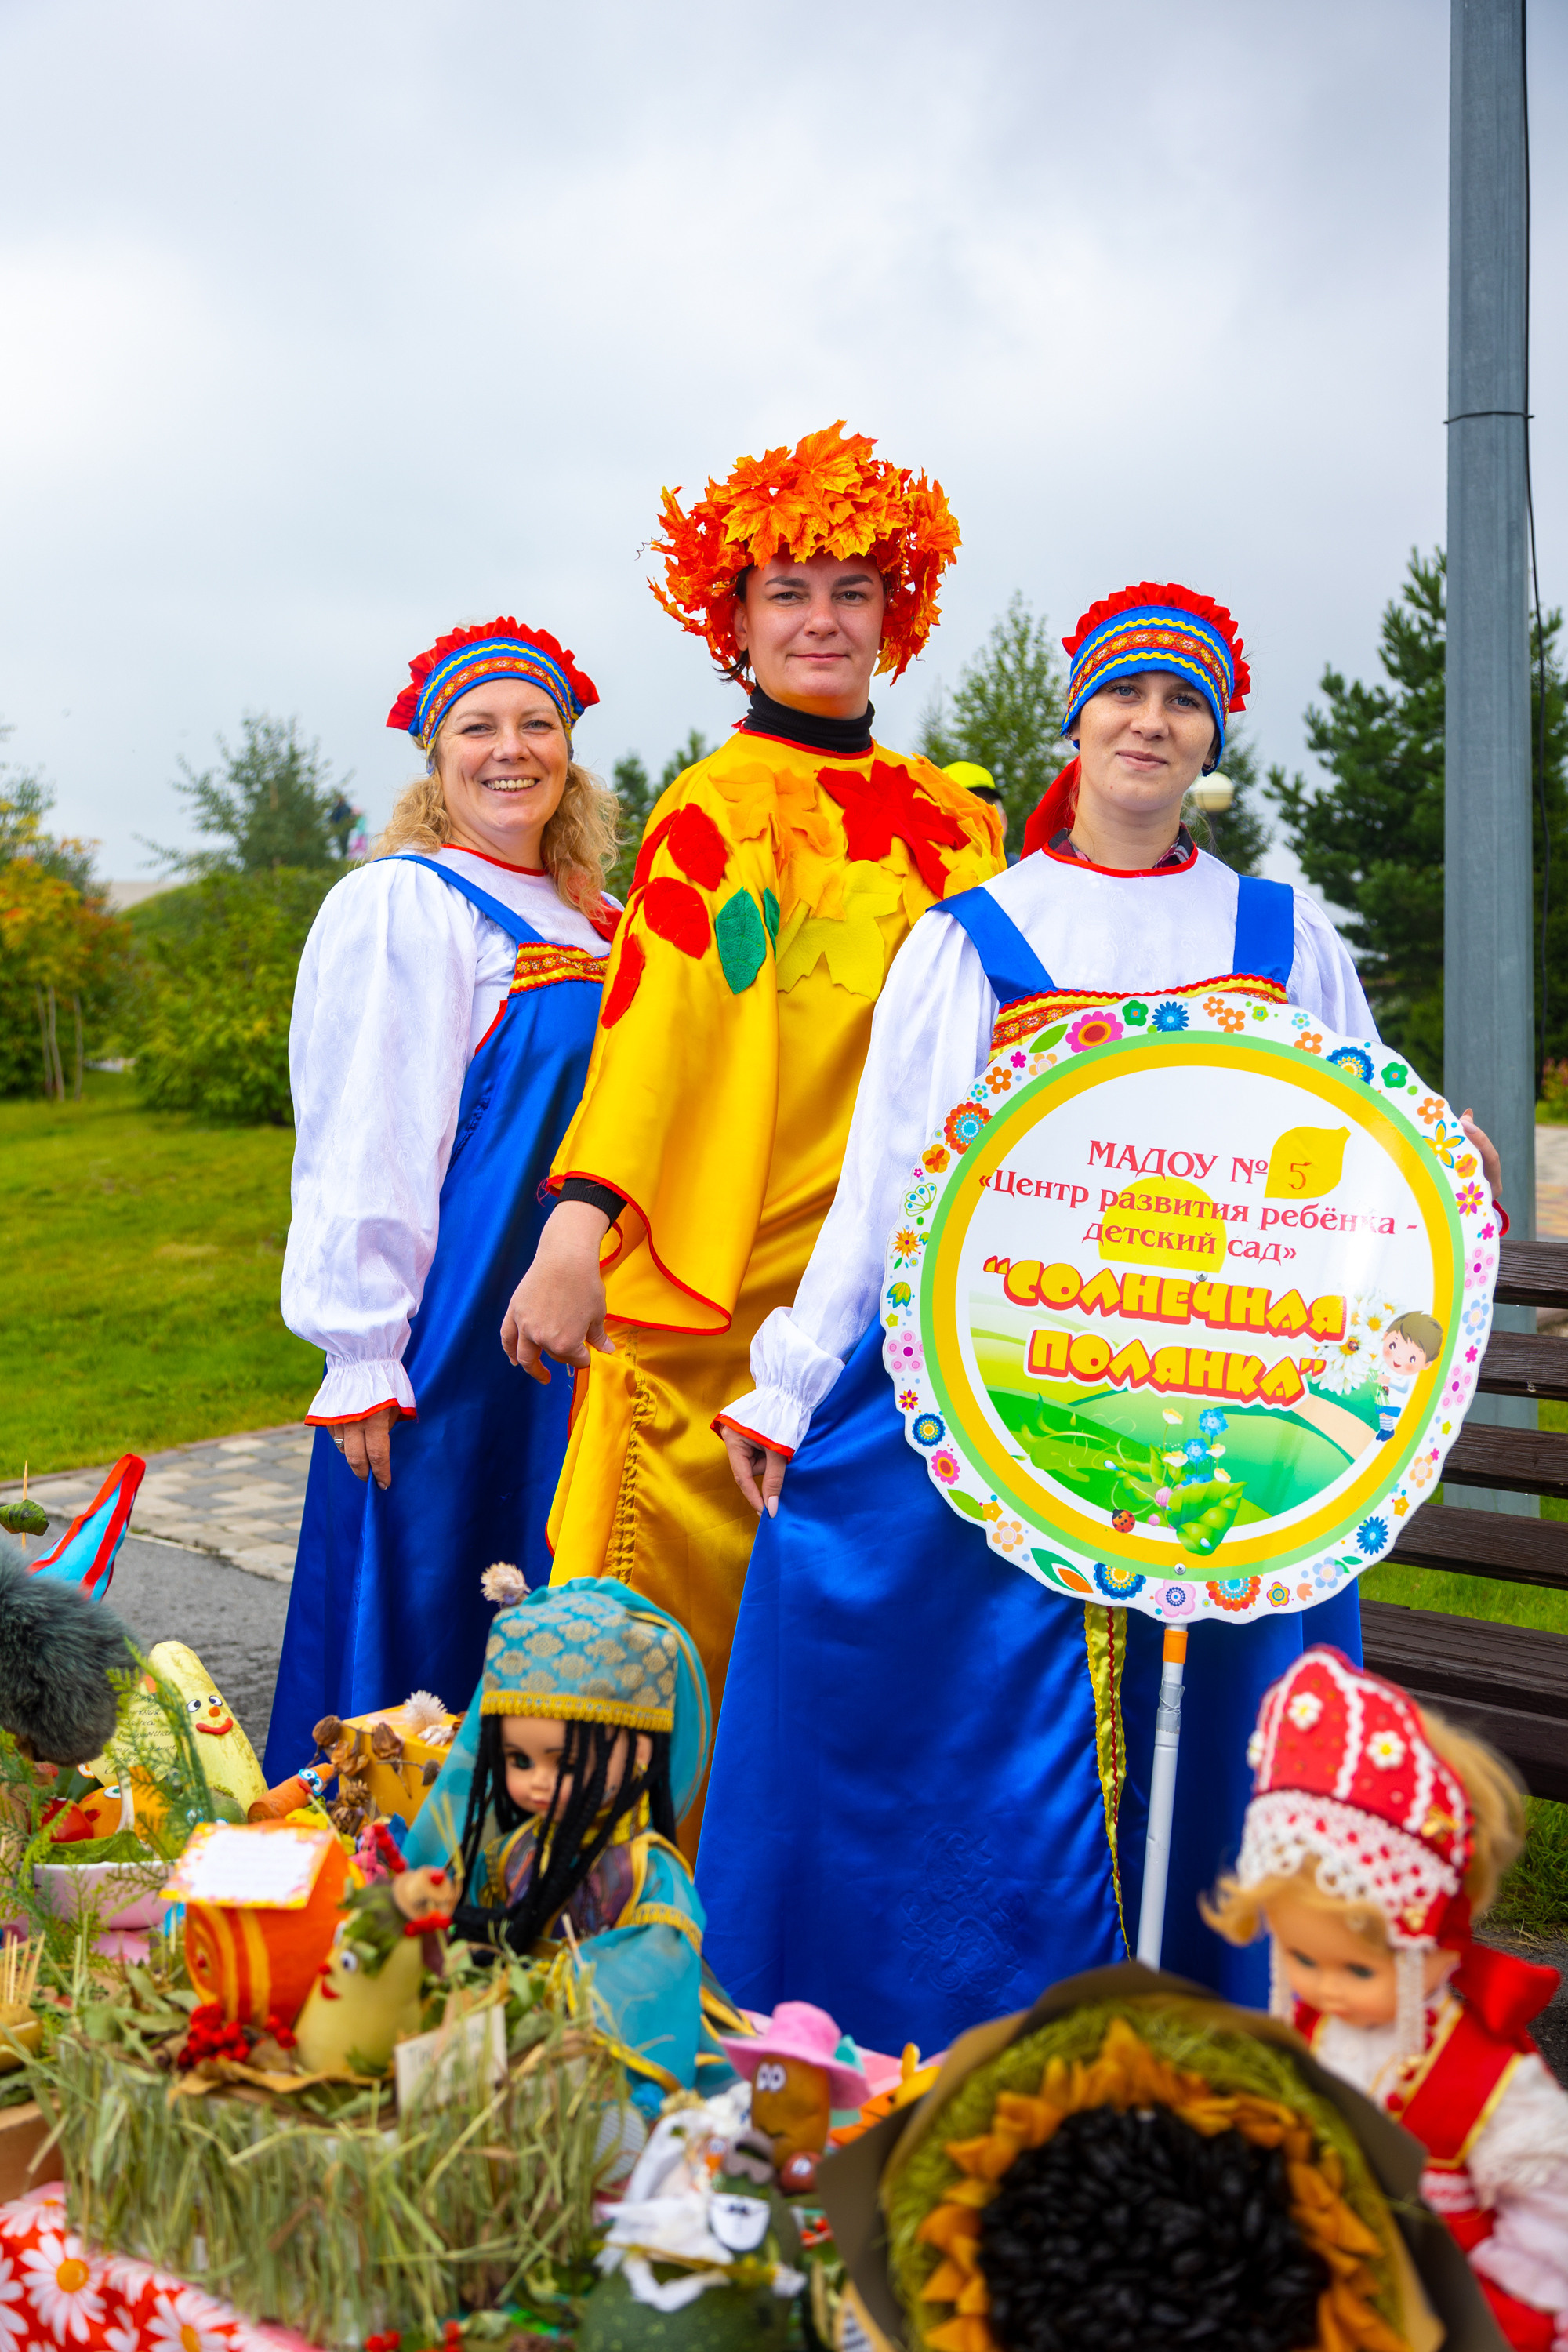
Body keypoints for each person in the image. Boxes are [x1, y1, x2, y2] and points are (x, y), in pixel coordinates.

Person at [698, 580, 1508, 2056]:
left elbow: (1369, 1172)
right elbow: (886, 1176)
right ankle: (938, 2032)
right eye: (1125, 694)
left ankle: (1217, 2049)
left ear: (1211, 741)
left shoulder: (1283, 934)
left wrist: (1448, 1174)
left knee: (1226, 1737)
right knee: (884, 1653)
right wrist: (791, 1381)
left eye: (1184, 702)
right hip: (1018, 1392)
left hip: (1237, 1410)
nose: (1152, 722)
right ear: (1077, 715)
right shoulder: (976, 937)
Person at [499, 425, 1002, 1838]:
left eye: (852, 588)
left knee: (872, 1639)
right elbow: (654, 1032)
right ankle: (613, 1921)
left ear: (895, 614)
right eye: (788, 591)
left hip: (900, 1300)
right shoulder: (716, 810)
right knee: (661, 1635)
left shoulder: (954, 825)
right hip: (725, 1301)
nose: (824, 620)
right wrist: (576, 1226)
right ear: (733, 623)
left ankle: (820, 1920)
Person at [263, 620, 619, 1782]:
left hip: (578, 1328)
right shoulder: (406, 904)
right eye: (478, 727)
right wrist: (363, 1348)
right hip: (453, 1330)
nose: (510, 750)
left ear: (569, 750)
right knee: (433, 1614)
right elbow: (364, 1130)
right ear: (434, 757)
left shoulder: (598, 919)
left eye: (538, 725)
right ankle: (384, 1915)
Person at [1207, 1644, 1568, 2352]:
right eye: (1301, 1958)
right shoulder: (1312, 2022)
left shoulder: (1484, 2084)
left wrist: (1487, 2314)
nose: (1325, 1988)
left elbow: (1555, 2217)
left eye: (1359, 1971)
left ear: (1439, 1946)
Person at [404, 1572, 746, 2114]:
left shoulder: (647, 1873)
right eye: (518, 1761)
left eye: (562, 1761)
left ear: (637, 1754)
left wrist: (538, 2004)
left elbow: (653, 1973)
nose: (536, 1781)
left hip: (614, 2049)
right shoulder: (514, 1851)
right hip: (516, 2039)